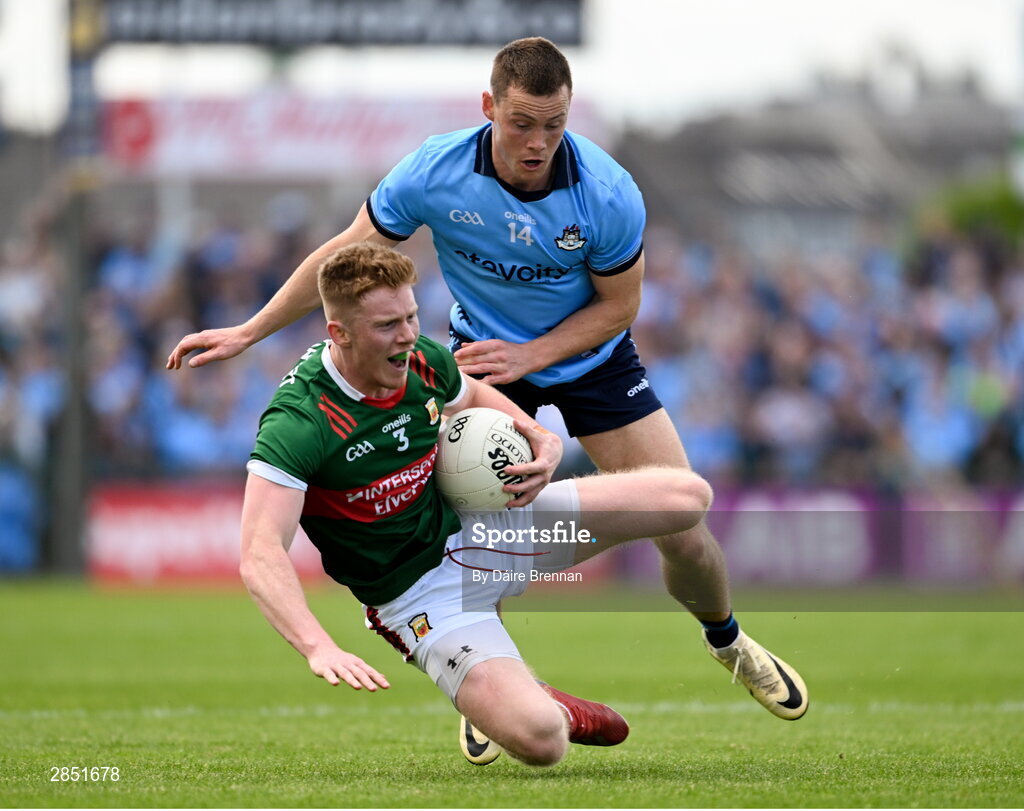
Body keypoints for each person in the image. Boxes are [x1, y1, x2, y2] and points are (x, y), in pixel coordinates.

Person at [170, 37, 809, 757]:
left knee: (686, 526)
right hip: (480, 363)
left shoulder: (606, 193)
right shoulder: (435, 170)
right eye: (522, 123)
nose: (538, 143)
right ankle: (487, 681)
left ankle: (727, 640)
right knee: (470, 518)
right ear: (488, 109)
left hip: (589, 357)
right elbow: (343, 252)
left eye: (555, 125)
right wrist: (250, 331)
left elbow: (621, 306)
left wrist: (534, 354)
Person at [241, 243, 807, 768]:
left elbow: (472, 393)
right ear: (337, 333)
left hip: (491, 531)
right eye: (387, 325)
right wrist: (316, 646)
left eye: (412, 317)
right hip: (423, 598)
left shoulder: (421, 360)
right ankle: (531, 698)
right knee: (543, 744)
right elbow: (260, 551)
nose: (408, 336)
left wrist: (539, 435)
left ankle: (727, 641)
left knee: (687, 497)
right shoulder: (300, 423)